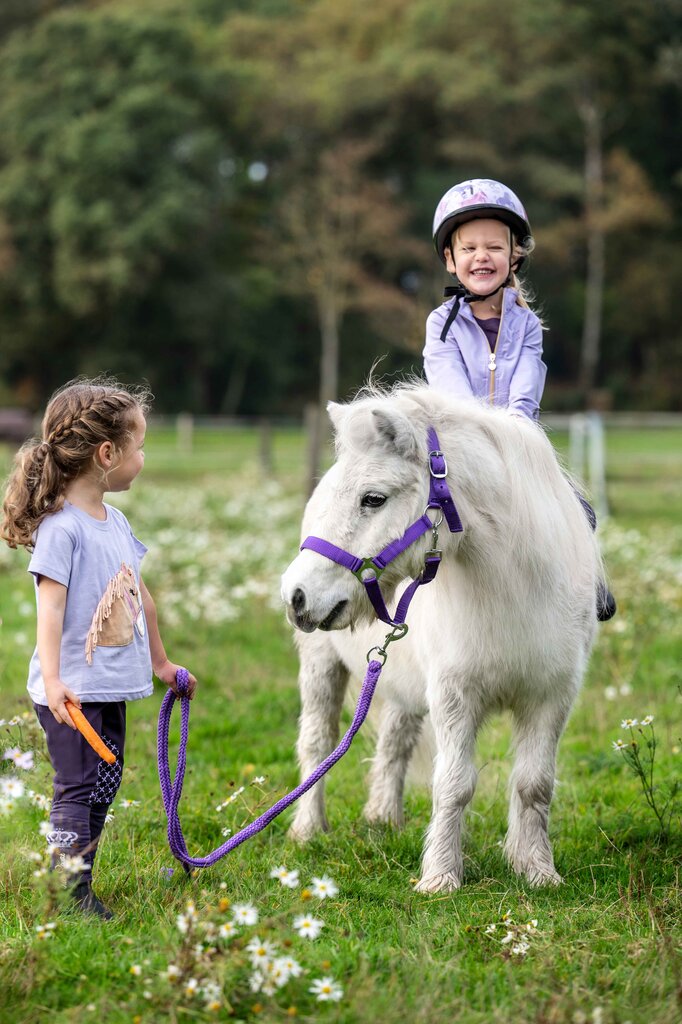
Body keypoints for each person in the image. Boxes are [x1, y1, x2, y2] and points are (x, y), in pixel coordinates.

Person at [1, 377, 197, 918]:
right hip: (71, 693)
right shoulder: (62, 530)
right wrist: (54, 680)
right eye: (139, 446)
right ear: (107, 454)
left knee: (103, 783)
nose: (143, 457)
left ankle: (77, 876)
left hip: (107, 686)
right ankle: (69, 890)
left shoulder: (116, 523)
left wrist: (161, 663)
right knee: (78, 784)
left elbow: (141, 598)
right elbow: (50, 608)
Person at [423, 177, 615, 620]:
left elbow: (525, 394)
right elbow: (451, 394)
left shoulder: (527, 325)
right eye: (469, 248)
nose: (481, 256)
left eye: (494, 246)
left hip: (518, 443)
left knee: (578, 509)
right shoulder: (441, 325)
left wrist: (512, 442)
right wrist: (481, 441)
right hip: (459, 445)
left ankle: (586, 586)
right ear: (451, 260)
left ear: (514, 255)